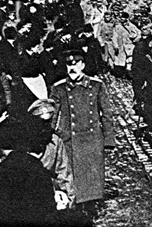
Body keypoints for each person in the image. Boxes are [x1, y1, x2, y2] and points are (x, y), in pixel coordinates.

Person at [50, 48, 116, 208]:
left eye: (76, 64)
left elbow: (106, 114)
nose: (72, 68)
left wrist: (109, 140)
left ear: (83, 65)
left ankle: (91, 205)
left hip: (92, 138)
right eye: (69, 64)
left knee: (91, 174)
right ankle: (76, 205)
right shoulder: (58, 88)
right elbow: (52, 115)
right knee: (71, 173)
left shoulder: (96, 86)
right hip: (69, 138)